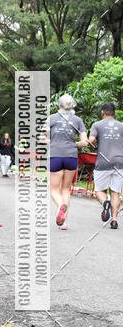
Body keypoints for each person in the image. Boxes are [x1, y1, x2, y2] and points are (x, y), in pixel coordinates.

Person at [48, 94, 88, 229]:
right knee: (65, 188)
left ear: (59, 105)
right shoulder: (78, 120)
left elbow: (42, 138)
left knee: (54, 189)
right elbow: (84, 142)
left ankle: (61, 206)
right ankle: (63, 222)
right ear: (72, 106)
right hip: (71, 156)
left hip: (55, 155)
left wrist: (51, 142)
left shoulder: (51, 118)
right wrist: (73, 144)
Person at [88, 102, 123, 230]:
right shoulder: (121, 126)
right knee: (115, 192)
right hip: (119, 162)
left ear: (103, 112)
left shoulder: (97, 125)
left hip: (103, 162)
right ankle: (114, 220)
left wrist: (91, 143)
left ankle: (105, 202)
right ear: (115, 113)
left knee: (99, 191)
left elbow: (91, 141)